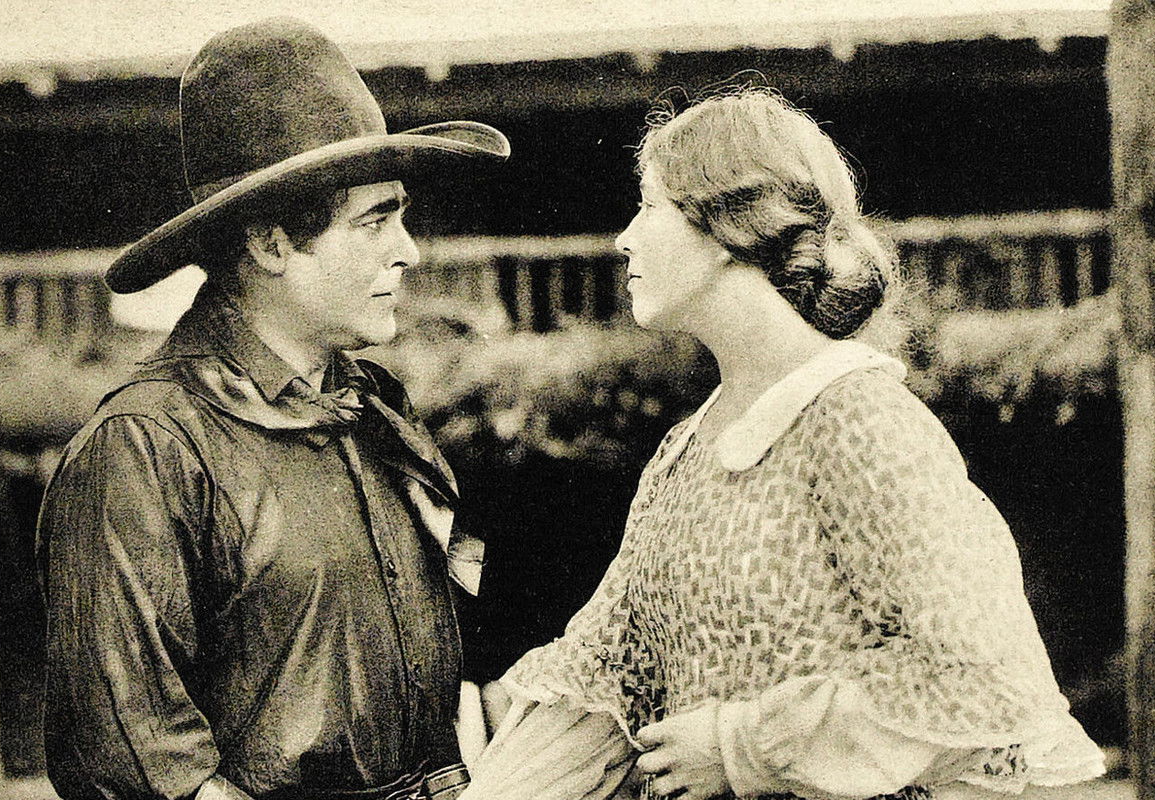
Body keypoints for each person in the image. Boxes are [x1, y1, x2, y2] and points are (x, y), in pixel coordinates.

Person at [462, 89, 1104, 800]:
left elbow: (984, 680)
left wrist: (744, 745)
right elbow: (606, 676)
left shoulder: (858, 420)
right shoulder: (686, 450)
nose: (625, 239)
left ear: (732, 221)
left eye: (648, 206)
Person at [36, 17, 509, 800]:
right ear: (270, 244)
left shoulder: (375, 413)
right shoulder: (146, 449)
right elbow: (143, 771)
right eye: (375, 221)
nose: (409, 251)